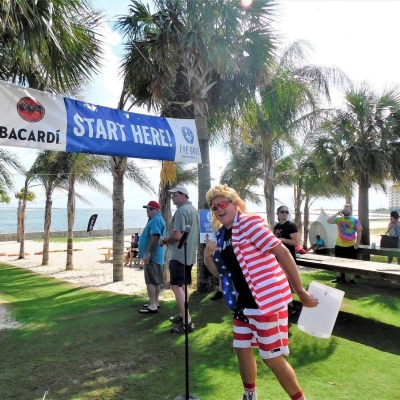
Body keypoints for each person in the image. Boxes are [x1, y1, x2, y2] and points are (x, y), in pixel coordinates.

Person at [204, 184, 318, 400]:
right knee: (241, 349)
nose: (219, 209)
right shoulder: (222, 235)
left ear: (235, 204)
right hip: (243, 304)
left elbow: (283, 253)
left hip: (266, 302)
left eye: (223, 203)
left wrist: (300, 291)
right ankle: (250, 395)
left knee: (271, 357)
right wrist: (207, 255)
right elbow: (220, 272)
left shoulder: (249, 225)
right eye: (214, 207)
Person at [159, 185, 199, 334]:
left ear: (183, 195)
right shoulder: (193, 210)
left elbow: (177, 235)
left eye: (175, 195)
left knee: (176, 287)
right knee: (182, 287)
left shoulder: (182, 211)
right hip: (189, 255)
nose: (172, 198)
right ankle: (183, 315)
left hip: (179, 255)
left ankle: (187, 322)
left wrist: (164, 240)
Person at [138, 201, 166, 314]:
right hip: (157, 256)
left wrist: (147, 253)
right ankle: (155, 302)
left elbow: (154, 237)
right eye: (147, 209)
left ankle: (153, 305)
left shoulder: (155, 220)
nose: (147, 211)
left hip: (153, 256)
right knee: (156, 281)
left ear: (156, 210)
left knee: (151, 281)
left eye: (150, 209)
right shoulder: (156, 219)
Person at [327, 204, 362, 285]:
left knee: (352, 264)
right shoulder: (339, 219)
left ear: (351, 210)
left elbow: (359, 232)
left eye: (348, 209)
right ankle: (339, 278)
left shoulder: (355, 220)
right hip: (339, 245)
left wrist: (357, 244)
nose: (346, 210)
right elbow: (329, 221)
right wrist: (337, 213)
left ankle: (351, 279)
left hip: (350, 246)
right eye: (345, 208)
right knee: (338, 263)